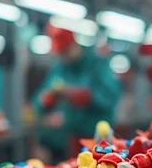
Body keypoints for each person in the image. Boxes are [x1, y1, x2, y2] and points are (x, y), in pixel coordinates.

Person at [32, 26, 120, 158]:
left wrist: (80, 96)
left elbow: (110, 97)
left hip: (97, 140)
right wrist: (48, 99)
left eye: (66, 50)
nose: (63, 56)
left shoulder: (97, 65)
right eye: (60, 52)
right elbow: (39, 101)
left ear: (74, 44)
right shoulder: (59, 68)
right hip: (67, 142)